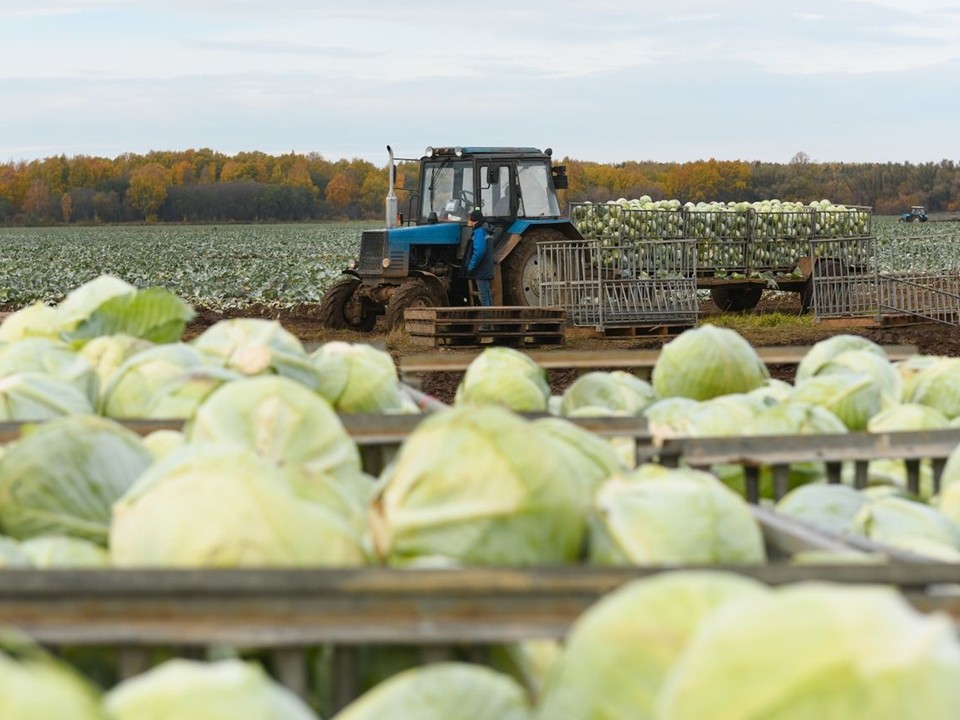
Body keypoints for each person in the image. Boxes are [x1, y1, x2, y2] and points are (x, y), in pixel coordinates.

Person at [466, 208, 494, 306]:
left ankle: (486, 320)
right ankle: (490, 318)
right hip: (485, 266)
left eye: (470, 219)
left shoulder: (479, 231)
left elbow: (479, 252)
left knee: (483, 296)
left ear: (474, 220)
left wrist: (470, 266)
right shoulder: (485, 230)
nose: (469, 221)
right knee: (486, 294)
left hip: (481, 268)